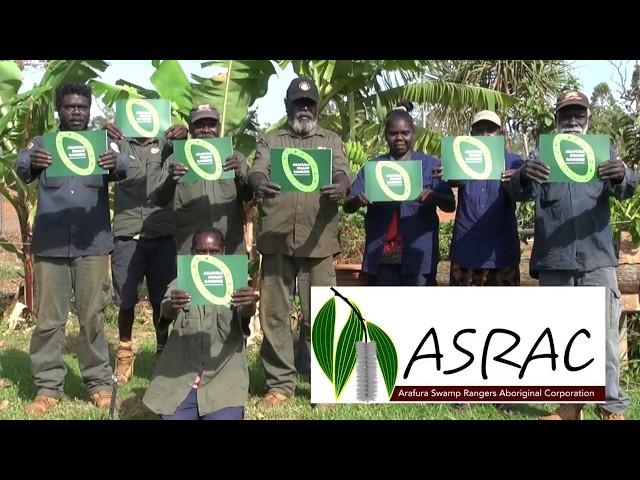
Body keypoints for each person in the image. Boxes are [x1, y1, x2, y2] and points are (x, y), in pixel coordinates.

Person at [507, 90, 637, 420]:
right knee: (563, 338)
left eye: (579, 113)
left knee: (605, 339)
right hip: (555, 259)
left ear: (588, 117)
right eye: (567, 114)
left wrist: (624, 175)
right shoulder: (542, 152)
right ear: (557, 118)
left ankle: (609, 409)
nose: (573, 120)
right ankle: (568, 408)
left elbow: (627, 187)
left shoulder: (602, 151)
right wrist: (524, 174)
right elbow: (519, 192)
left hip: (596, 259)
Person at [16, 81, 127, 415]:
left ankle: (98, 384)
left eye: (81, 106)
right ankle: (48, 386)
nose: (76, 112)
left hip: (92, 244)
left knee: (92, 315)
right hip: (51, 245)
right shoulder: (43, 143)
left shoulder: (102, 143)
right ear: (59, 110)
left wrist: (115, 161)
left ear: (89, 108)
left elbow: (125, 169)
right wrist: (32, 159)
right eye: (69, 107)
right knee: (50, 319)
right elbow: (21, 167)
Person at [247, 77, 352, 407]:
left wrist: (340, 186)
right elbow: (257, 171)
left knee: (321, 315)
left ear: (317, 107)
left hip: (318, 242)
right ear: (287, 106)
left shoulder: (331, 140)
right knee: (275, 315)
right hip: (277, 240)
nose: (303, 109)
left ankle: (325, 387)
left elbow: (342, 172)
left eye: (309, 104)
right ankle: (280, 384)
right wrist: (259, 182)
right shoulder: (270, 140)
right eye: (298, 103)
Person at [104, 115, 187, 383]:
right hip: (127, 233)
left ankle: (162, 351)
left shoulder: (170, 144)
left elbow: (196, 160)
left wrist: (185, 137)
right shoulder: (119, 143)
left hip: (162, 232)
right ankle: (125, 353)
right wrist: (101, 134)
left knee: (160, 299)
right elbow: (98, 160)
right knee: (126, 300)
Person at [142, 226, 255, 420]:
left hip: (223, 384)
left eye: (214, 252)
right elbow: (165, 311)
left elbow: (245, 314)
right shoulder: (181, 283)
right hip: (180, 383)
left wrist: (249, 305)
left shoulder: (237, 282)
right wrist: (172, 306)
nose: (208, 257)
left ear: (224, 252)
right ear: (192, 253)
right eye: (201, 252)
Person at [343, 102, 455, 286]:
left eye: (405, 133)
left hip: (419, 255)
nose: (399, 138)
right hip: (382, 256)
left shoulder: (430, 165)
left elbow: (450, 205)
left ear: (413, 133)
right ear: (386, 136)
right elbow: (348, 205)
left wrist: (433, 197)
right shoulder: (374, 167)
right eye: (393, 133)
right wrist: (358, 200)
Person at [152, 103, 251, 255]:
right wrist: (171, 180)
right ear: (190, 129)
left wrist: (239, 176)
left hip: (230, 248)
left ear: (218, 127)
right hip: (189, 249)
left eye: (211, 124)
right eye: (199, 125)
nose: (206, 130)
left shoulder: (234, 157)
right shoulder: (177, 158)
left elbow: (248, 197)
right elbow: (159, 199)